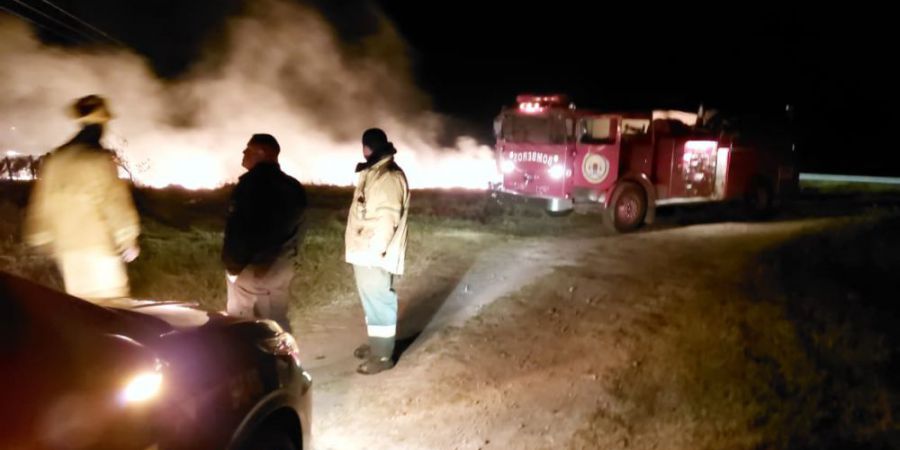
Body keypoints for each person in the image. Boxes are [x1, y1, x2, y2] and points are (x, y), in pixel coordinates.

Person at [23, 94, 140, 301]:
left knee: (83, 311)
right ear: (101, 124)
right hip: (99, 249)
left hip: (68, 252)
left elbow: (42, 206)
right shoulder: (98, 159)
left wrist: (43, 237)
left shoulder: (57, 159)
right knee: (111, 310)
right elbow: (114, 204)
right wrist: (127, 239)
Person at [222, 133, 306, 332]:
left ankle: (245, 360)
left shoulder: (249, 186)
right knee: (277, 322)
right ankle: (285, 359)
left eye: (248, 149)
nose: (244, 153)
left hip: (253, 268)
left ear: (262, 153)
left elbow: (240, 230)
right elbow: (300, 228)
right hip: (282, 266)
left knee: (239, 322)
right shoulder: (293, 187)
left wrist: (233, 268)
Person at [346, 128, 409, 375]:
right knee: (372, 301)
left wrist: (375, 252)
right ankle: (377, 345)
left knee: (380, 301)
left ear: (366, 148)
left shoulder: (387, 177)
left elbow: (386, 220)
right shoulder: (377, 173)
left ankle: (383, 356)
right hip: (366, 252)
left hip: (373, 254)